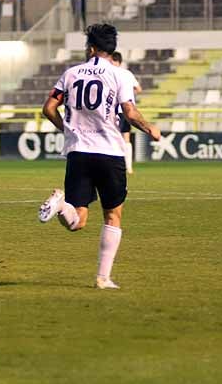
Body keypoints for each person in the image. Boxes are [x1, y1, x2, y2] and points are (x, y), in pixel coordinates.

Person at [36, 23, 161, 290]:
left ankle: (60, 206)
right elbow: (129, 112)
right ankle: (103, 278)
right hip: (109, 153)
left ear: (91, 48)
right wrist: (149, 127)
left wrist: (67, 129)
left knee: (78, 220)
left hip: (78, 152)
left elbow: (48, 108)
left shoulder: (70, 73)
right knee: (113, 215)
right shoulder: (121, 75)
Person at [110, 52, 142, 175]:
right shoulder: (128, 74)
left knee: (113, 137)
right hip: (128, 110)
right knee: (126, 138)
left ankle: (116, 166)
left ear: (113, 61)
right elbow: (139, 89)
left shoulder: (111, 73)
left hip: (115, 110)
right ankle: (129, 167)